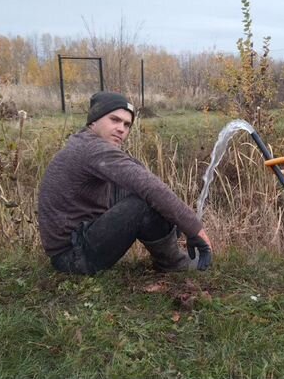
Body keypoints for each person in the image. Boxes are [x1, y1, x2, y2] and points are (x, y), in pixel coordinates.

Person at [38, 91, 213, 274]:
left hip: (77, 245)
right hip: (72, 258)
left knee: (147, 194)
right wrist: (194, 228)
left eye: (127, 124)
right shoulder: (92, 149)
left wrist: (172, 217)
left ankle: (171, 256)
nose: (121, 129)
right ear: (93, 121)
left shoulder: (86, 144)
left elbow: (140, 175)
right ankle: (173, 263)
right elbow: (149, 186)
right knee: (144, 201)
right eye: (114, 120)